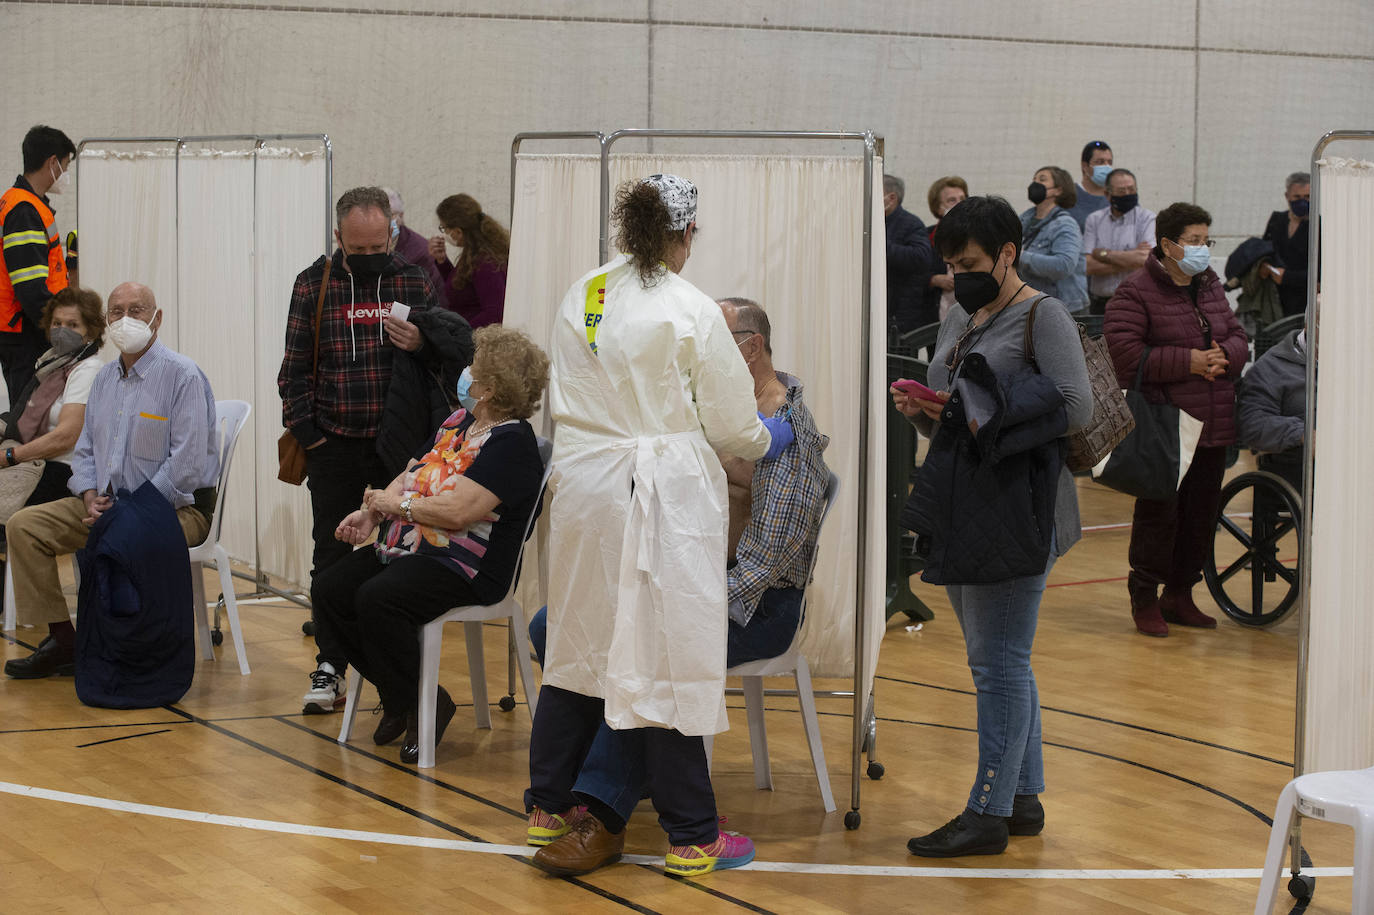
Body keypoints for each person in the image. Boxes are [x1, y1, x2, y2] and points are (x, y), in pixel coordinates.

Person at [525, 175, 793, 879]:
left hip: (586, 485)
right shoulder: (690, 307)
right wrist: (773, 435)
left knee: (579, 644)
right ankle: (691, 833)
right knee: (668, 656)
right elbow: (734, 423)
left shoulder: (584, 292)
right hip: (660, 491)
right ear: (686, 234)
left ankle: (546, 805)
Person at [892, 195, 1090, 858]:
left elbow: (1076, 407)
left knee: (996, 661)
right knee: (1004, 655)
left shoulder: (1044, 315)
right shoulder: (960, 312)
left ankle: (986, 811)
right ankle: (1022, 797)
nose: (958, 274)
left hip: (1018, 507)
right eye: (951, 263)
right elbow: (958, 403)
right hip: (967, 500)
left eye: (970, 262)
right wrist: (926, 410)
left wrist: (985, 413)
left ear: (1009, 254)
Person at [312, 325, 548, 764]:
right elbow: (412, 471)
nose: (465, 377)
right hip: (416, 547)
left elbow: (458, 512)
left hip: (468, 568)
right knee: (330, 589)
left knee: (378, 599)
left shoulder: (513, 444)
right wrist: (372, 512)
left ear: (491, 388)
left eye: (472, 372)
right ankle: (402, 696)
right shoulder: (459, 423)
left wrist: (394, 505)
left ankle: (424, 701)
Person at [278, 186, 470, 713]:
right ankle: (330, 666)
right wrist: (313, 437)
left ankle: (395, 678)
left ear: (392, 233)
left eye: (376, 248)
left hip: (402, 453)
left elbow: (455, 356)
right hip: (334, 446)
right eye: (356, 251)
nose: (367, 260)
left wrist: (424, 343)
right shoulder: (312, 283)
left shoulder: (414, 277)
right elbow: (292, 373)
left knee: (398, 563)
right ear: (338, 237)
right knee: (331, 558)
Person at [4, 282, 217, 679]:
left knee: (121, 534)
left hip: (177, 509)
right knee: (24, 526)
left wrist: (134, 510)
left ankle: (127, 646)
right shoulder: (104, 381)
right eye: (116, 311)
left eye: (136, 310)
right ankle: (64, 640)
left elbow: (186, 464)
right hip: (106, 504)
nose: (125, 319)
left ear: (157, 318)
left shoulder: (182, 376)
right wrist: (87, 494)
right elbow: (84, 452)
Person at [1104, 202, 1249, 638]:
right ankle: (1144, 595)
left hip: (1212, 423)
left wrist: (1228, 355)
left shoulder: (1209, 286)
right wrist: (1188, 361)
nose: (1203, 249)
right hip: (1165, 425)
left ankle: (1180, 594)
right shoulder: (1135, 291)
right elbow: (1124, 358)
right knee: (1159, 516)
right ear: (1168, 245)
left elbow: (1238, 334)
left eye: (1207, 240)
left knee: (1200, 516)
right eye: (1194, 241)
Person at [0, 286, 106, 508]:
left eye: (72, 325)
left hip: (63, 468)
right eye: (57, 323)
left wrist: (11, 456)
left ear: (90, 331)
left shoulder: (87, 369)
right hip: (36, 459)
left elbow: (65, 436)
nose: (61, 330)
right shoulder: (51, 363)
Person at [1, 126, 76, 405]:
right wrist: (63, 332)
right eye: (66, 167)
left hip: (24, 330)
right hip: (27, 334)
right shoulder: (24, 210)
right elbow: (30, 288)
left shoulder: (24, 204)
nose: (65, 176)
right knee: (28, 421)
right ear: (52, 163)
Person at [1236, 323, 1306, 491]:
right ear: (1309, 325)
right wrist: (1304, 434)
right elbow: (1253, 424)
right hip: (1301, 465)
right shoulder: (1272, 366)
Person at [427, 194, 508, 328]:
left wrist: (461, 335)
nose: (444, 233)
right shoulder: (474, 253)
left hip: (476, 342)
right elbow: (462, 288)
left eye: (444, 228)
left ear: (458, 232)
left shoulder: (486, 263)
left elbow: (494, 313)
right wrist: (442, 261)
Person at [1083, 168, 1156, 314]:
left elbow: (1145, 260)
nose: (1128, 194)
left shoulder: (1147, 218)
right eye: (1122, 191)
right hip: (1099, 304)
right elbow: (1086, 265)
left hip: (1135, 303)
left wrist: (1102, 254)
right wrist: (1131, 259)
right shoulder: (1094, 219)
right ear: (1107, 194)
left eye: (1132, 189)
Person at [1019, 167, 1087, 312]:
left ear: (1058, 190)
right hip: (1032, 306)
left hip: (1065, 309)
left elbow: (1064, 265)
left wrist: (1021, 256)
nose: (1035, 184)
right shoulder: (1023, 220)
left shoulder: (1065, 224)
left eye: (1042, 180)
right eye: (1034, 180)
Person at [884, 174, 938, 332]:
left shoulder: (911, 224)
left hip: (900, 315)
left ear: (891, 198)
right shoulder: (870, 221)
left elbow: (921, 257)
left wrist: (881, 248)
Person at [1259, 172, 1312, 317]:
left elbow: (1321, 273)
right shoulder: (1277, 220)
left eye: (1307, 197)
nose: (1302, 202)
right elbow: (1264, 251)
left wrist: (1287, 277)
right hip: (1274, 301)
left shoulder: (1318, 225)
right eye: (1297, 197)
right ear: (1287, 196)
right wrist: (1264, 267)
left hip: (1304, 304)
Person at [381, 187, 443, 296]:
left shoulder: (421, 251)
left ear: (401, 216)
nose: (382, 221)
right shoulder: (363, 244)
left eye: (389, 215)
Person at [926, 176, 969, 320]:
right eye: (952, 200)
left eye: (963, 199)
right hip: (934, 313)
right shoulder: (926, 236)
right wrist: (933, 280)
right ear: (938, 208)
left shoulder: (978, 237)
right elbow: (911, 274)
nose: (960, 204)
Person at [1066, 140, 1112, 231]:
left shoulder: (1120, 195)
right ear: (1085, 166)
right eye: (1100, 162)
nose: (1106, 167)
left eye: (1109, 162)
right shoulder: (1068, 195)